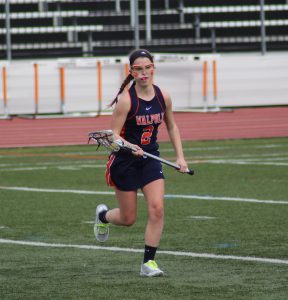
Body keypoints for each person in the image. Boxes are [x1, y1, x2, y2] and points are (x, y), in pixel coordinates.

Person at [94, 49, 189, 277]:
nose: (144, 72)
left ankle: (148, 263)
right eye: (138, 68)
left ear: (153, 67)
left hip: (150, 159)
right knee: (128, 219)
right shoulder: (126, 100)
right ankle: (102, 216)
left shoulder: (163, 96)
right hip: (125, 161)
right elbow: (112, 136)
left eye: (147, 67)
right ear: (132, 71)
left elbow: (172, 126)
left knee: (157, 208)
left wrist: (180, 156)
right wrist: (129, 146)